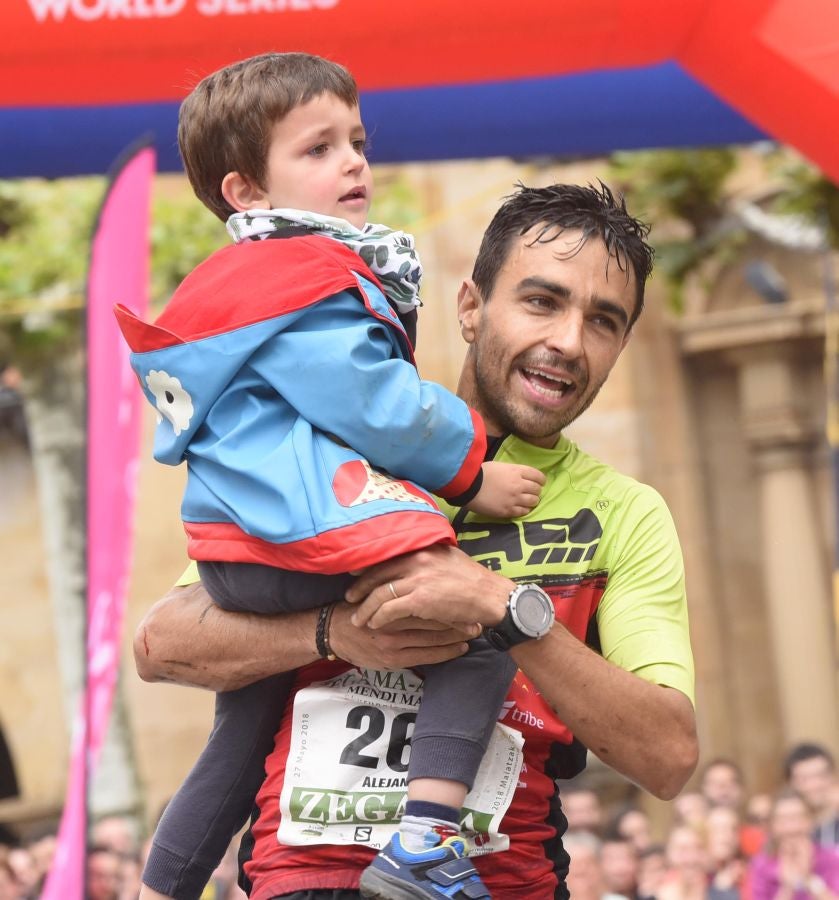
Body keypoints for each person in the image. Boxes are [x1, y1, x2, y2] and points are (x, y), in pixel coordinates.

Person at [135, 181, 699, 898]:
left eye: (602, 321)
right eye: (541, 301)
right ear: (469, 308)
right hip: (298, 880)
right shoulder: (335, 451)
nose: (565, 341)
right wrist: (334, 634)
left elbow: (669, 755)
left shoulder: (626, 512)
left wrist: (503, 606)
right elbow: (161, 644)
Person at [118, 53, 544, 900]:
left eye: (355, 140)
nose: (352, 160)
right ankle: (424, 841)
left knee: (238, 738)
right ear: (246, 192)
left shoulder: (244, 283)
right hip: (305, 531)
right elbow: (377, 405)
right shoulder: (300, 277)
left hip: (235, 550)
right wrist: (469, 473)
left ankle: (158, 890)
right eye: (316, 150)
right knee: (477, 645)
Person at [749, 789, 839, 900]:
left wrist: (809, 879)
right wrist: (787, 888)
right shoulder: (762, 865)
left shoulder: (830, 859)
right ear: (773, 825)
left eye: (797, 818)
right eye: (783, 820)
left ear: (810, 821)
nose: (791, 828)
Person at [784, 744, 839, 848]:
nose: (814, 785)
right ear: (790, 783)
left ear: (833, 776)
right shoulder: (784, 831)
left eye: (821, 776)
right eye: (804, 779)